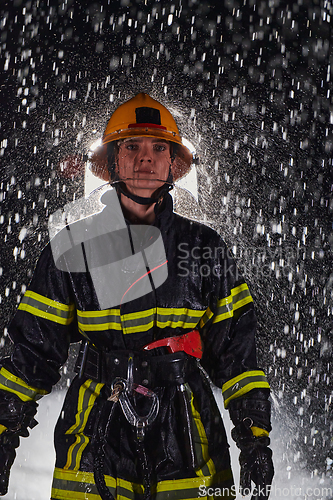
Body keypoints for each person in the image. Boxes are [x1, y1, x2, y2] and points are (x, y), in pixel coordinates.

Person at [0, 93, 274, 500]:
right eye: (132, 146)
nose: (146, 159)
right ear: (112, 161)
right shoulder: (74, 247)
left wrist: (254, 439)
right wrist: (3, 432)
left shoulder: (204, 248)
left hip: (188, 437)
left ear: (172, 164)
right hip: (92, 437)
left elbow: (238, 356)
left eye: (158, 148)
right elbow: (31, 353)